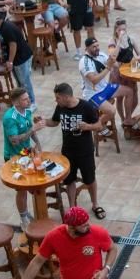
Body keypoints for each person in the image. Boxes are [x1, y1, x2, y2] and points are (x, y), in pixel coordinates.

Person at [11, 206, 117, 279]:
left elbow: (112, 249)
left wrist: (105, 269)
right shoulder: (54, 237)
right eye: (83, 225)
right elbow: (37, 262)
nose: (88, 226)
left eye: (87, 222)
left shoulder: (97, 233)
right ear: (71, 228)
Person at [43, 82, 107, 218]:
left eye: (58, 98)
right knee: (69, 180)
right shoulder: (60, 108)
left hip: (85, 150)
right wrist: (43, 122)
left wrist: (87, 127)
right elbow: (54, 122)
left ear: (66, 97)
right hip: (67, 150)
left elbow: (99, 126)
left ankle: (95, 204)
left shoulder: (86, 107)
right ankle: (72, 208)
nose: (56, 101)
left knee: (90, 179)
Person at [2, 88, 44, 229]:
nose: (29, 100)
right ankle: (23, 218)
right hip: (14, 157)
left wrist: (37, 144)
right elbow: (14, 140)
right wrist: (33, 129)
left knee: (34, 182)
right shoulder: (10, 118)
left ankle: (31, 213)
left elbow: (30, 129)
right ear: (16, 102)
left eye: (28, 98)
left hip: (26, 153)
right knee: (22, 189)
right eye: (25, 99)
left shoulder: (27, 111)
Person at [78, 36, 131, 127]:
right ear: (87, 48)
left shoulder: (101, 55)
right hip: (93, 94)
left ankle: (128, 119)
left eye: (98, 45)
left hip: (105, 87)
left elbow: (115, 64)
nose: (97, 48)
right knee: (112, 111)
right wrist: (108, 67)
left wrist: (118, 43)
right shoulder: (84, 62)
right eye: (94, 47)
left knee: (129, 91)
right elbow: (94, 80)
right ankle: (97, 125)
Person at [0, 10, 36, 104]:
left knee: (25, 82)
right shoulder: (2, 28)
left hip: (21, 58)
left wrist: (10, 62)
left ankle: (31, 102)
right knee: (20, 83)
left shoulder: (7, 28)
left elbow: (13, 45)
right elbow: (5, 44)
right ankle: (23, 101)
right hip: (17, 59)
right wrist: (3, 56)